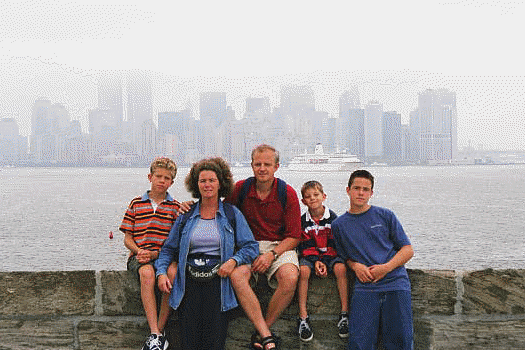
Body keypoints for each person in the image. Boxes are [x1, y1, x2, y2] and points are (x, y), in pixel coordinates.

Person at [155, 157, 259, 350]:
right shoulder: (186, 214)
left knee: (215, 340)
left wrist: (234, 261)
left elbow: (251, 247)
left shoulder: (232, 214)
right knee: (189, 340)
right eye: (203, 180)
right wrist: (161, 273)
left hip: (219, 283)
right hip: (188, 283)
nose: (207, 185)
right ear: (196, 184)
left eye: (212, 180)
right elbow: (168, 249)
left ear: (221, 183)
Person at [226, 144, 302, 350]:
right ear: (251, 166)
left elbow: (294, 236)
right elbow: (217, 210)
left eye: (267, 164)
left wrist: (271, 255)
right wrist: (189, 205)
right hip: (247, 247)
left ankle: (262, 331)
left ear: (276, 166)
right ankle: (267, 335)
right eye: (257, 164)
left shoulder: (287, 193)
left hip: (279, 246)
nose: (262, 169)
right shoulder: (240, 190)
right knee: (236, 277)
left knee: (290, 278)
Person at [332, 169, 414, 350]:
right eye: (356, 188)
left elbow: (407, 250)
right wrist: (354, 266)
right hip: (365, 288)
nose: (361, 193)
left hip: (395, 284)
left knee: (401, 342)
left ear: (371, 193)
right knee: (359, 343)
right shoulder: (339, 225)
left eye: (366, 189)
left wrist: (386, 268)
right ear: (348, 190)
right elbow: (342, 256)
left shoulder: (385, 216)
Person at [119, 157, 180, 350]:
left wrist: (155, 254)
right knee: (147, 274)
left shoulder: (174, 208)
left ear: (172, 182)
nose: (162, 181)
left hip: (162, 255)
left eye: (167, 178)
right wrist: (139, 251)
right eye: (158, 176)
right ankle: (154, 332)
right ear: (150, 177)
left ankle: (159, 332)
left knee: (173, 274)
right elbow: (127, 238)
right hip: (139, 256)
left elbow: (175, 243)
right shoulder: (137, 204)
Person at [296, 180, 349, 342]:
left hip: (330, 256)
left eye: (316, 195)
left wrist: (324, 262)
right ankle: (303, 317)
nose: (312, 199)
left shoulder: (333, 219)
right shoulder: (303, 221)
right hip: (310, 256)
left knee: (341, 269)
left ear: (324, 196)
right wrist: (316, 261)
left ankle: (344, 314)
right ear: (303, 201)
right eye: (308, 197)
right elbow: (305, 245)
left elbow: (335, 244)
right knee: (303, 271)